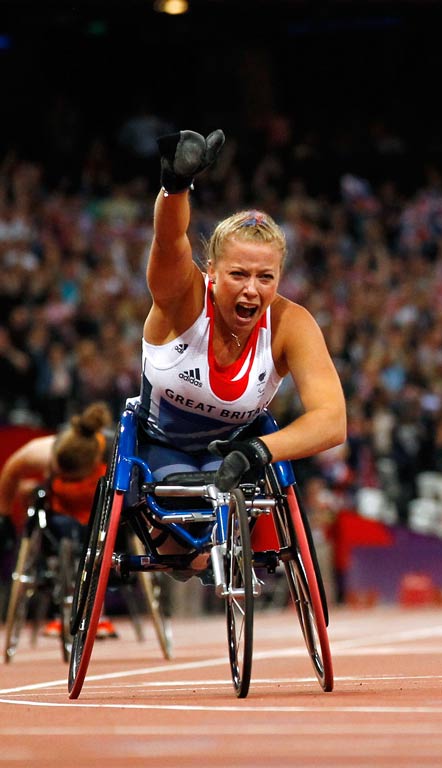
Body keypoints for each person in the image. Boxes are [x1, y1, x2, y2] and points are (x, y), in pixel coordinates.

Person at [134, 129, 347, 567]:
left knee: (214, 536)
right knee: (182, 554)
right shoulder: (184, 298)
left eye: (265, 278)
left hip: (235, 454)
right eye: (238, 275)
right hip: (159, 445)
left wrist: (259, 451)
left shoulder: (292, 323)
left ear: (279, 278)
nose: (251, 290)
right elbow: (170, 243)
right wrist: (174, 189)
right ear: (211, 270)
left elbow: (332, 420)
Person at [0, 402, 119, 638]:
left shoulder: (114, 454)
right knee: (28, 493)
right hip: (61, 513)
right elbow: (11, 471)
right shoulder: (43, 451)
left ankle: (97, 610)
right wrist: (4, 518)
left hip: (101, 514)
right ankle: (53, 578)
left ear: (94, 462)